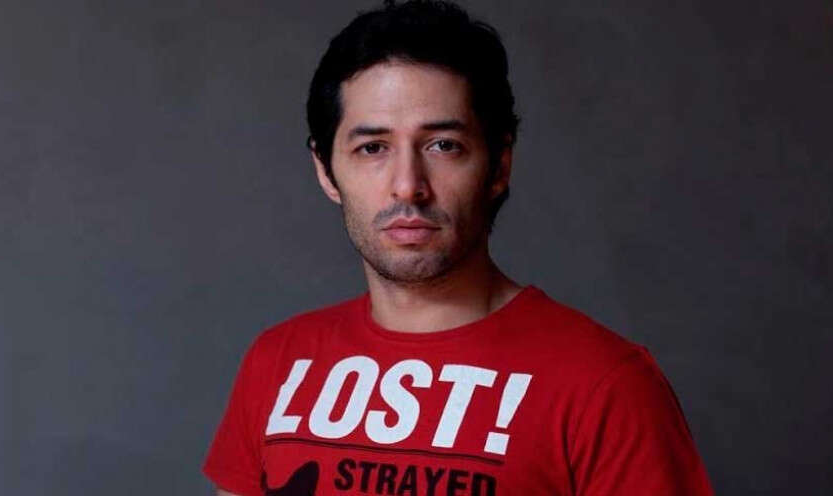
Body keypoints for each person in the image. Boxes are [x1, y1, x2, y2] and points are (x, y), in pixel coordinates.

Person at [202, 1, 715, 494]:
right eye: (372, 148)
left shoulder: (606, 383)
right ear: (325, 170)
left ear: (499, 164)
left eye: (443, 146)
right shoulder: (278, 363)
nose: (408, 186)